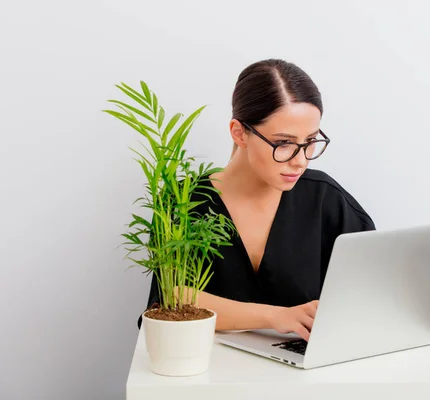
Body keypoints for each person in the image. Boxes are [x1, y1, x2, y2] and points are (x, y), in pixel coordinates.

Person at [138, 59, 375, 341]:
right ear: (239, 132)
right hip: (201, 370)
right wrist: (276, 316)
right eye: (283, 143)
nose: (300, 161)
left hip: (306, 375)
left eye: (310, 141)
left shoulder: (326, 200)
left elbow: (372, 296)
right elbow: (170, 301)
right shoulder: (183, 202)